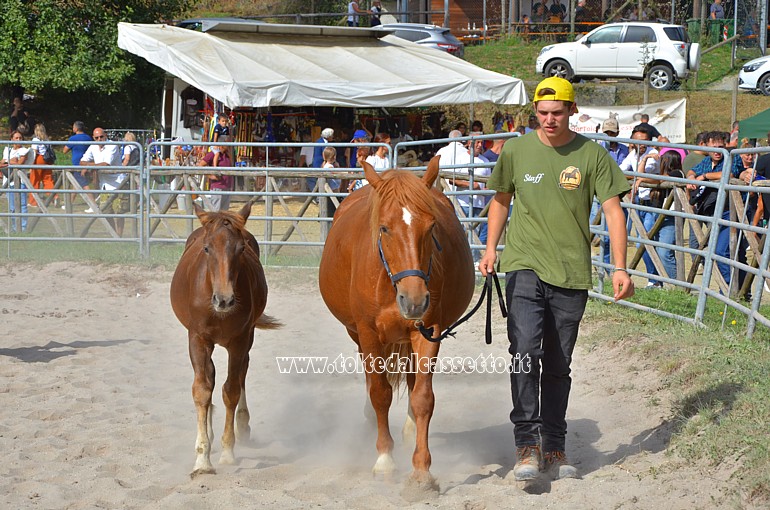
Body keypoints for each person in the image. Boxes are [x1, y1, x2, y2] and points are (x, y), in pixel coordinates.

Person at [479, 77, 633, 482]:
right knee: (525, 353)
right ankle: (526, 446)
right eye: (543, 113)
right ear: (535, 113)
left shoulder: (592, 154)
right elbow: (500, 200)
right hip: (524, 266)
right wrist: (491, 247)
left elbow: (614, 211)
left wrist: (620, 266)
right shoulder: (515, 150)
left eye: (557, 112)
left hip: (571, 271)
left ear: (571, 110)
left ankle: (555, 445)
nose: (549, 120)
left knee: (558, 364)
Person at [687, 131, 745, 289]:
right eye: (714, 147)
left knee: (723, 251)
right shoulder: (706, 161)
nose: (718, 150)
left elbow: (729, 173)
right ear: (705, 146)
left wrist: (705, 176)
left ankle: (727, 290)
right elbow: (692, 171)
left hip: (730, 211)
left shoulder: (731, 157)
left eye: (721, 146)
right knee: (732, 252)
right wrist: (691, 178)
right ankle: (738, 292)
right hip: (711, 212)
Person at [620, 125, 662, 287]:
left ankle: (656, 279)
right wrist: (636, 176)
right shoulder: (632, 154)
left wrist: (638, 175)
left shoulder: (653, 155)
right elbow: (621, 171)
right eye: (637, 141)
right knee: (641, 241)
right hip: (639, 202)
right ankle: (655, 279)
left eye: (644, 141)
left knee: (644, 241)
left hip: (652, 201)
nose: (641, 144)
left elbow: (646, 173)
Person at [80, 127, 128, 235]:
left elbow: (106, 164)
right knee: (105, 212)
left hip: (117, 184)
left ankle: (119, 236)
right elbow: (82, 161)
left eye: (101, 136)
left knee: (118, 212)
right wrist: (89, 166)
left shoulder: (112, 146)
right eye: (97, 137)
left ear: (105, 136)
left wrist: (88, 166)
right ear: (94, 138)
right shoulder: (93, 146)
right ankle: (114, 234)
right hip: (104, 185)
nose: (99, 139)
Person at [0, 130, 32, 232]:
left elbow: (19, 163)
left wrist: (8, 161)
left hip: (20, 181)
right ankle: (14, 228)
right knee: (12, 207)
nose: (18, 140)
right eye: (16, 138)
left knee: (22, 205)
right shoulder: (7, 150)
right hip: (9, 181)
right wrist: (11, 160)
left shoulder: (24, 150)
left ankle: (22, 228)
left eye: (20, 138)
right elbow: (1, 163)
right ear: (12, 139)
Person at [197, 134, 234, 212]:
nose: (229, 145)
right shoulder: (213, 154)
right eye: (227, 143)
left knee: (224, 212)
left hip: (227, 186)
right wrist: (210, 176)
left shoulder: (227, 154)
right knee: (215, 211)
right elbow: (200, 165)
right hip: (218, 186)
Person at [62, 121, 95, 192]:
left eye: (73, 127)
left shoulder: (73, 139)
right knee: (77, 183)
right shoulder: (88, 138)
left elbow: (64, 151)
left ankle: (92, 202)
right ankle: (70, 201)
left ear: (76, 128)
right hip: (87, 163)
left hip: (77, 164)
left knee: (84, 185)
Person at [29, 123, 56, 207]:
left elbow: (34, 151)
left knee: (34, 180)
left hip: (39, 159)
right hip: (47, 160)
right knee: (48, 180)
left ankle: (33, 202)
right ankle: (54, 197)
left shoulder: (35, 140)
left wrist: (30, 164)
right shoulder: (47, 139)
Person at [309, 127, 334, 192]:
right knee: (320, 180)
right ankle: (319, 196)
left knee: (318, 181)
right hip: (319, 164)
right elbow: (325, 154)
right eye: (331, 135)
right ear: (328, 136)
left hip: (318, 163)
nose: (333, 137)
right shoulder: (323, 143)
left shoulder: (319, 140)